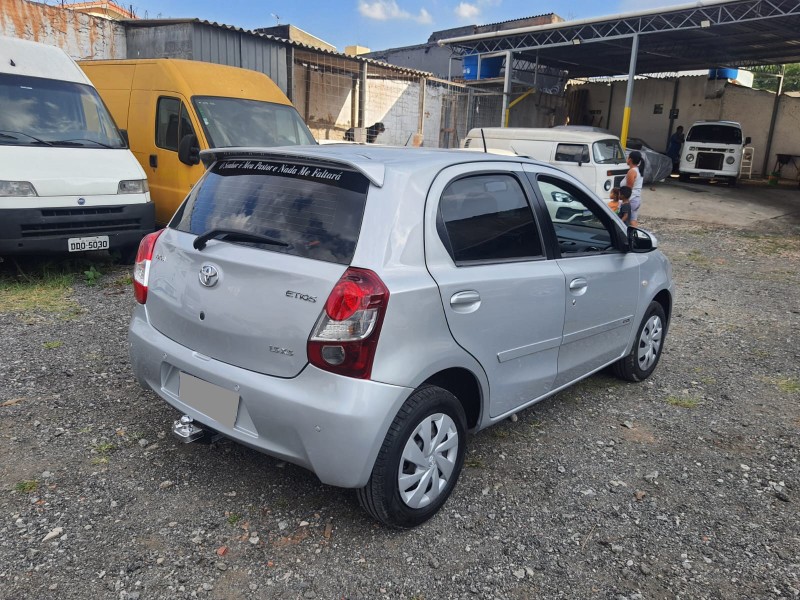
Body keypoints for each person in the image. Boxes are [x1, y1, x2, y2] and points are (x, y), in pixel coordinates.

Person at [625, 150, 644, 227]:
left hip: (631, 199)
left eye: (627, 157)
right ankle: (635, 234)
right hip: (636, 199)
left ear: (630, 159)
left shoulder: (632, 171)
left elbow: (628, 189)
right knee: (633, 221)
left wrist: (624, 202)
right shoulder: (638, 170)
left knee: (624, 221)